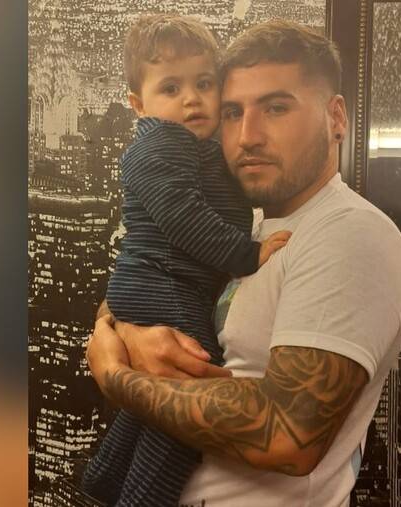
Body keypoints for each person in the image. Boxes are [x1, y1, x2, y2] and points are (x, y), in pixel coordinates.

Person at [87, 19, 401, 506]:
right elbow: (147, 282)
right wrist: (131, 332)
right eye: (231, 112)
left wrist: (118, 377)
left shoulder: (351, 234)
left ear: (336, 117)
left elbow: (287, 434)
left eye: (276, 108)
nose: (247, 136)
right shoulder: (247, 229)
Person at [80, 14, 292, 507]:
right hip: (165, 285)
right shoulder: (162, 142)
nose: (192, 99)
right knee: (189, 395)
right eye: (171, 88)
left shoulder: (196, 145)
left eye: (204, 84)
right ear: (138, 105)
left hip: (162, 283)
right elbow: (183, 217)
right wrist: (248, 254)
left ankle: (104, 478)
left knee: (155, 389)